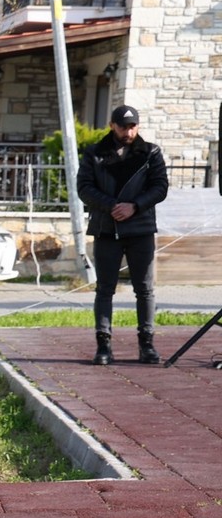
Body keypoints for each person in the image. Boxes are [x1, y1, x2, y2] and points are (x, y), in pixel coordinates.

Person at [77, 104, 170, 366]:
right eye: (123, 126)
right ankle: (103, 346)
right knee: (105, 289)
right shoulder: (95, 153)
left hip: (140, 228)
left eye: (133, 126)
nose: (128, 131)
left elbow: (160, 187)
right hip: (107, 229)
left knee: (145, 288)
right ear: (112, 125)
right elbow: (84, 187)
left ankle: (147, 344)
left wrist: (135, 206)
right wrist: (111, 206)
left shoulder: (151, 152)